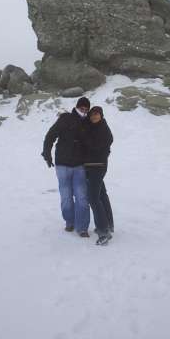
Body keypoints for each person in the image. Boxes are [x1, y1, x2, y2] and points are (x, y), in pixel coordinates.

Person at [42, 97, 91, 237]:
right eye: (82, 108)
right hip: (62, 165)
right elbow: (50, 135)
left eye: (86, 109)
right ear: (77, 107)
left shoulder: (87, 122)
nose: (84, 111)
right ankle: (70, 221)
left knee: (82, 197)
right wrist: (47, 153)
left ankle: (82, 227)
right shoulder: (65, 118)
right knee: (66, 197)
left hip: (79, 166)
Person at [83, 106, 114, 246]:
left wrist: (86, 141)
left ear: (101, 116)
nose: (94, 117)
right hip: (91, 166)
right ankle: (109, 224)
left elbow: (96, 146)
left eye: (97, 114)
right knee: (101, 195)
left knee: (93, 198)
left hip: (98, 167)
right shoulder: (92, 128)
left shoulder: (103, 129)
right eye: (92, 115)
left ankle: (103, 231)